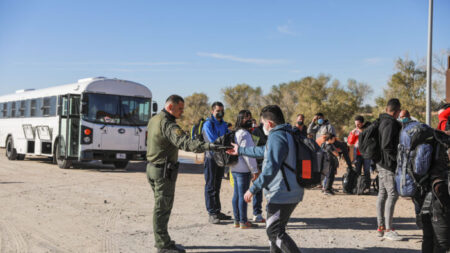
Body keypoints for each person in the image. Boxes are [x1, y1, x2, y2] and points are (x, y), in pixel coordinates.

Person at [146, 95, 223, 253]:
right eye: (180, 108)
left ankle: (164, 240)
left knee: (161, 206)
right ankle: (162, 245)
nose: (182, 112)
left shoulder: (154, 119)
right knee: (162, 208)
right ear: (170, 107)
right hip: (163, 171)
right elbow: (185, 143)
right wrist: (210, 146)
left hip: (153, 168)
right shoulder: (168, 124)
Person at [228, 105, 303, 253]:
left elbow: (270, 169)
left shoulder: (277, 136)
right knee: (274, 233)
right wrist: (241, 150)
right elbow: (263, 151)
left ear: (269, 123)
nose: (261, 126)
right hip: (292, 190)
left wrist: (253, 189)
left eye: (262, 123)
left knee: (274, 233)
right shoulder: (287, 133)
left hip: (282, 193)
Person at [376, 98, 403, 241]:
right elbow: (386, 146)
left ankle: (381, 227)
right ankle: (388, 229)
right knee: (392, 195)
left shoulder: (381, 120)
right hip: (387, 165)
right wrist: (396, 160)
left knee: (382, 194)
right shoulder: (390, 123)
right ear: (397, 111)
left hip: (380, 163)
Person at [202, 101, 231, 224]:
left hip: (221, 158)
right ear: (212, 111)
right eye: (218, 111)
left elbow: (228, 138)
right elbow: (214, 141)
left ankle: (217, 211)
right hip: (211, 158)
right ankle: (212, 213)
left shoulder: (224, 124)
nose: (220, 112)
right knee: (210, 185)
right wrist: (224, 143)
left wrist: (225, 143)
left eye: (222, 110)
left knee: (217, 185)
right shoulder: (208, 124)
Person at [230, 110, 260, 229]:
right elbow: (249, 155)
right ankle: (243, 221)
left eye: (250, 117)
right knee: (243, 195)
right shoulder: (245, 134)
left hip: (234, 167)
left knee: (236, 195)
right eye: (246, 118)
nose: (249, 120)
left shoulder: (236, 132)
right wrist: (255, 170)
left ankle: (237, 220)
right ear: (240, 119)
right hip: (243, 169)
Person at [347, 115, 372, 189]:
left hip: (367, 154)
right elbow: (350, 142)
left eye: (358, 124)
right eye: (356, 124)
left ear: (362, 123)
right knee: (357, 171)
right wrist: (353, 134)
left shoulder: (368, 130)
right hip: (357, 154)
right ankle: (357, 186)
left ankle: (367, 187)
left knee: (367, 171)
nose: (357, 126)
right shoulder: (355, 131)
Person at [250, 118, 267, 223]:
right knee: (257, 190)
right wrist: (255, 167)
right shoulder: (256, 132)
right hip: (259, 165)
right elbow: (253, 148)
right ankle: (257, 213)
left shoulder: (274, 132)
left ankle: (272, 213)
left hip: (271, 164)